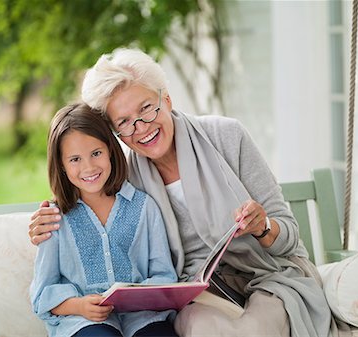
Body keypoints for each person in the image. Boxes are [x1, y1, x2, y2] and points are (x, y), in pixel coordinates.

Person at [29, 49, 332, 336]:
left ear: (167, 100)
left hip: (266, 275)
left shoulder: (227, 137)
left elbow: (288, 235)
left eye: (147, 108)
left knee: (255, 329)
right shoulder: (128, 183)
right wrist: (45, 217)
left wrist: (263, 226)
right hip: (200, 292)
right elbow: (84, 186)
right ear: (115, 134)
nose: (141, 126)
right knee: (197, 328)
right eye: (124, 122)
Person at [30, 103, 179, 337]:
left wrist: (139, 295)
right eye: (75, 159)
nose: (88, 167)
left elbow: (165, 275)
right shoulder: (53, 218)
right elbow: (42, 295)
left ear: (110, 149)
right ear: (61, 164)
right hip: (81, 322)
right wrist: (78, 306)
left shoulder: (144, 207)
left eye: (96, 153)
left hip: (143, 316)